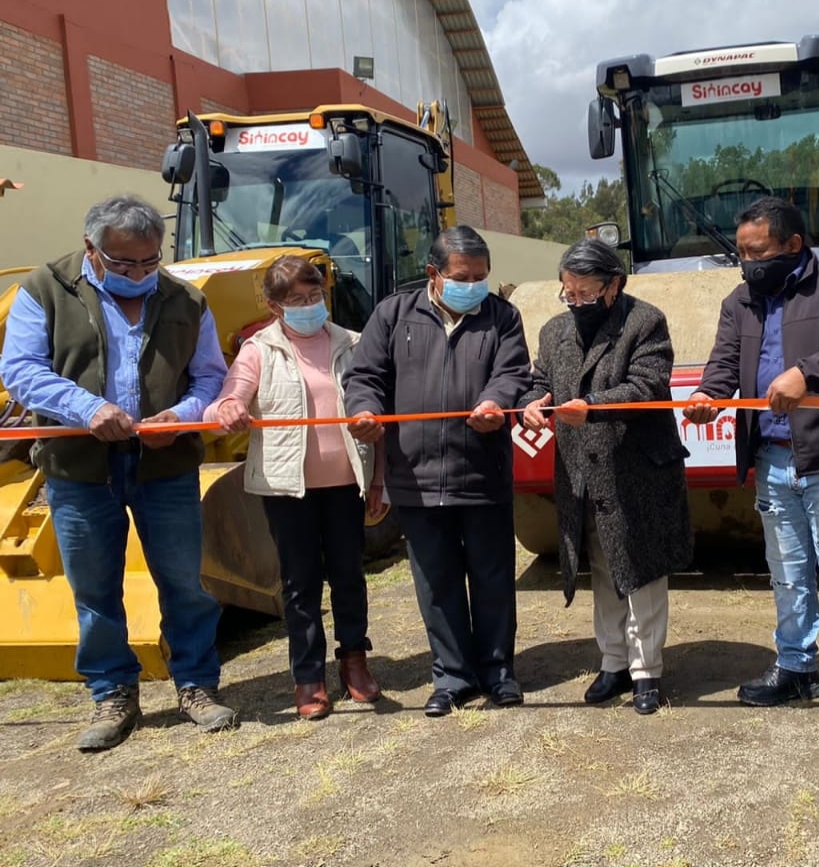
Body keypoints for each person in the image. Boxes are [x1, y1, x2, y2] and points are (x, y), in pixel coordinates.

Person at [0, 195, 236, 751]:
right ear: (92, 249)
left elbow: (209, 378)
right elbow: (20, 369)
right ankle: (113, 693)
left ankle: (197, 685)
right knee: (94, 588)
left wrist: (180, 417)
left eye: (149, 262)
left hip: (166, 466)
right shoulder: (44, 289)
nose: (139, 274)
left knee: (183, 581)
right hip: (79, 468)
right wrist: (89, 409)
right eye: (124, 263)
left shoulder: (185, 299)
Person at [683, 196, 819, 739]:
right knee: (788, 574)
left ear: (793, 245)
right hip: (772, 461)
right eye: (741, 253)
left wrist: (806, 373)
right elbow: (724, 362)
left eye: (757, 252)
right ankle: (797, 668)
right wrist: (708, 394)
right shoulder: (739, 301)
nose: (747, 262)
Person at [343, 225, 532, 717]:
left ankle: (498, 673)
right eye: (463, 276)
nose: (474, 285)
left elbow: (512, 372)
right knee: (436, 583)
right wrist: (363, 410)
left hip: (482, 471)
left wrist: (495, 401)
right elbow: (365, 376)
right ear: (433, 274)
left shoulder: (502, 317)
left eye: (481, 277)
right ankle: (452, 677)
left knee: (492, 578)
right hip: (417, 476)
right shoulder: (393, 314)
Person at [518, 240, 693, 715]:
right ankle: (613, 662)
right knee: (600, 568)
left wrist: (590, 408)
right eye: (568, 294)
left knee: (641, 570)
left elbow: (647, 385)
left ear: (614, 286)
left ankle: (647, 671)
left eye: (585, 294)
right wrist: (532, 403)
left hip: (635, 468)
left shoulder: (644, 321)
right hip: (581, 472)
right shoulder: (555, 331)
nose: (575, 303)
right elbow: (539, 381)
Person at [205, 255, 383, 720]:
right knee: (300, 583)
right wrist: (227, 408)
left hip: (347, 483)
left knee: (349, 576)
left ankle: (354, 661)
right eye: (296, 300)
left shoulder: (354, 342)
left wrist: (378, 478)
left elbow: (377, 413)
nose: (309, 306)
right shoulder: (258, 350)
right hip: (287, 490)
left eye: (315, 297)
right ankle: (308, 678)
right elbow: (232, 394)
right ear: (274, 304)